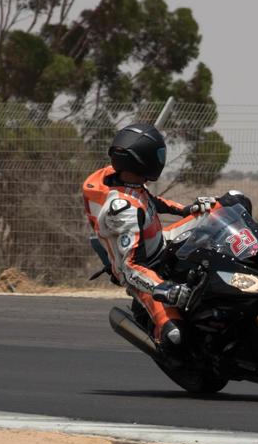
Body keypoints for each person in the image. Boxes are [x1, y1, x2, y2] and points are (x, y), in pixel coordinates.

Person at [81, 123, 214, 354]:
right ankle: (163, 343)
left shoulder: (127, 181)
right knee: (175, 337)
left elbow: (151, 201)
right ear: (143, 161)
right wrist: (166, 289)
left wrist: (188, 209)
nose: (161, 159)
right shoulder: (122, 210)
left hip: (163, 245)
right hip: (147, 275)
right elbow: (131, 268)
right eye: (158, 155)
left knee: (230, 201)